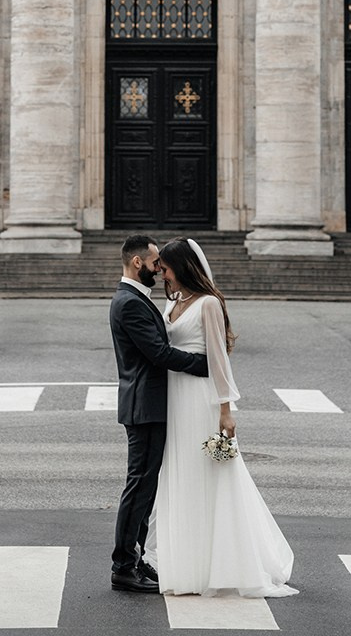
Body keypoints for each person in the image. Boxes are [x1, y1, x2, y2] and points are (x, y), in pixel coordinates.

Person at [147, 237, 297, 597]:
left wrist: (226, 409)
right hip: (175, 398)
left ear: (181, 267)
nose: (161, 274)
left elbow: (218, 357)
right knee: (181, 473)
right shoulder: (174, 302)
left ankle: (222, 562)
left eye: (165, 268)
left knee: (209, 475)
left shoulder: (209, 303)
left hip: (201, 399)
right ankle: (188, 560)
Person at [109, 235, 210, 593]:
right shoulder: (129, 302)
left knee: (145, 486)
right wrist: (203, 364)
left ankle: (135, 559)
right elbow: (158, 353)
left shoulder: (135, 297)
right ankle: (123, 565)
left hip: (149, 404)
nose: (159, 269)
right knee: (139, 486)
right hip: (145, 406)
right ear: (137, 262)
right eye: (155, 263)